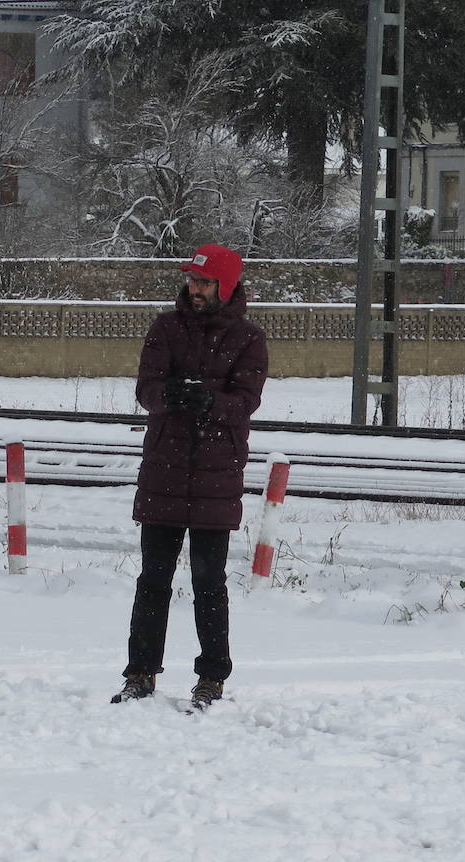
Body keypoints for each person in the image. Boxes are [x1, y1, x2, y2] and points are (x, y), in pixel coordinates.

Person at [113, 244, 268, 711]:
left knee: (209, 583)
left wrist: (211, 404)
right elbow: (146, 388)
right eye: (192, 281)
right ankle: (141, 673)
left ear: (226, 285)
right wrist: (169, 396)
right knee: (152, 581)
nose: (195, 289)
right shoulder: (165, 328)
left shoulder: (249, 338)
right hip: (164, 471)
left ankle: (212, 678)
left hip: (216, 478)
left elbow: (246, 401)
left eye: (204, 283)